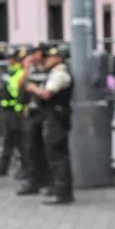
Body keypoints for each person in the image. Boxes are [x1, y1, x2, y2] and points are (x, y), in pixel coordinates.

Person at [21, 43, 73, 203]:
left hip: (56, 117)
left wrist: (31, 88)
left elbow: (47, 93)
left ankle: (63, 192)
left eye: (50, 57)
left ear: (58, 58)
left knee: (57, 154)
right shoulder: (49, 72)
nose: (47, 60)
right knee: (49, 153)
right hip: (49, 117)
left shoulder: (60, 73)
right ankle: (54, 186)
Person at [16, 44, 49, 196]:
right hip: (32, 113)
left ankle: (48, 181)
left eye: (35, 54)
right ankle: (34, 181)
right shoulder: (29, 72)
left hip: (46, 113)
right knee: (31, 149)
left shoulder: (48, 68)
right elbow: (21, 92)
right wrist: (26, 71)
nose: (32, 58)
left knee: (47, 149)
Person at [0, 48, 26, 178]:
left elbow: (16, 90)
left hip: (16, 111)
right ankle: (3, 166)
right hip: (7, 111)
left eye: (12, 58)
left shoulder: (19, 72)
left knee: (20, 141)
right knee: (9, 140)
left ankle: (25, 167)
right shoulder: (10, 72)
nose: (10, 61)